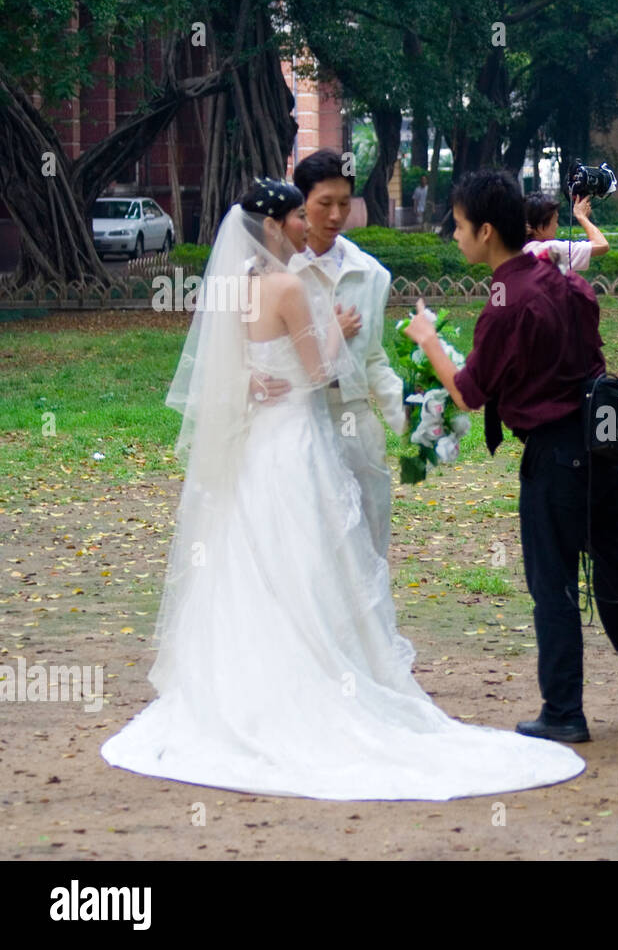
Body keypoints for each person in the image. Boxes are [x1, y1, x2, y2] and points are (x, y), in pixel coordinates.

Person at [100, 179, 585, 799]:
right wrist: (336, 324)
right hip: (297, 444)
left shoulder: (236, 288)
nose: (311, 224)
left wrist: (255, 381)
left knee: (254, 563)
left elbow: (230, 370)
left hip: (256, 450)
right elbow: (319, 369)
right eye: (301, 215)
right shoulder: (284, 286)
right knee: (310, 559)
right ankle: (318, 681)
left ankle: (245, 690)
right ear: (276, 225)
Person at [403, 169, 618, 744]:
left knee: (551, 583)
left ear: (486, 231)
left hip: (555, 456)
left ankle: (563, 710)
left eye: (458, 226)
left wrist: (427, 338)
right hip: (600, 445)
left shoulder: (506, 304)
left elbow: (469, 392)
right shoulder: (563, 282)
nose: (454, 236)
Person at [287, 149, 407, 558]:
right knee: (308, 527)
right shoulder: (280, 271)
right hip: (298, 413)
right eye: (325, 204)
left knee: (368, 519)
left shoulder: (370, 274)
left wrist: (407, 411)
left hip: (352, 412)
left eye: (344, 203)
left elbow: (373, 356)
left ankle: (365, 618)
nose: (336, 215)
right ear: (302, 202)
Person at [521, 191, 609, 273]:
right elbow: (602, 245)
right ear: (539, 227)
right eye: (555, 221)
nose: (557, 226)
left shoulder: (517, 250)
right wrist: (581, 216)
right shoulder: (551, 249)